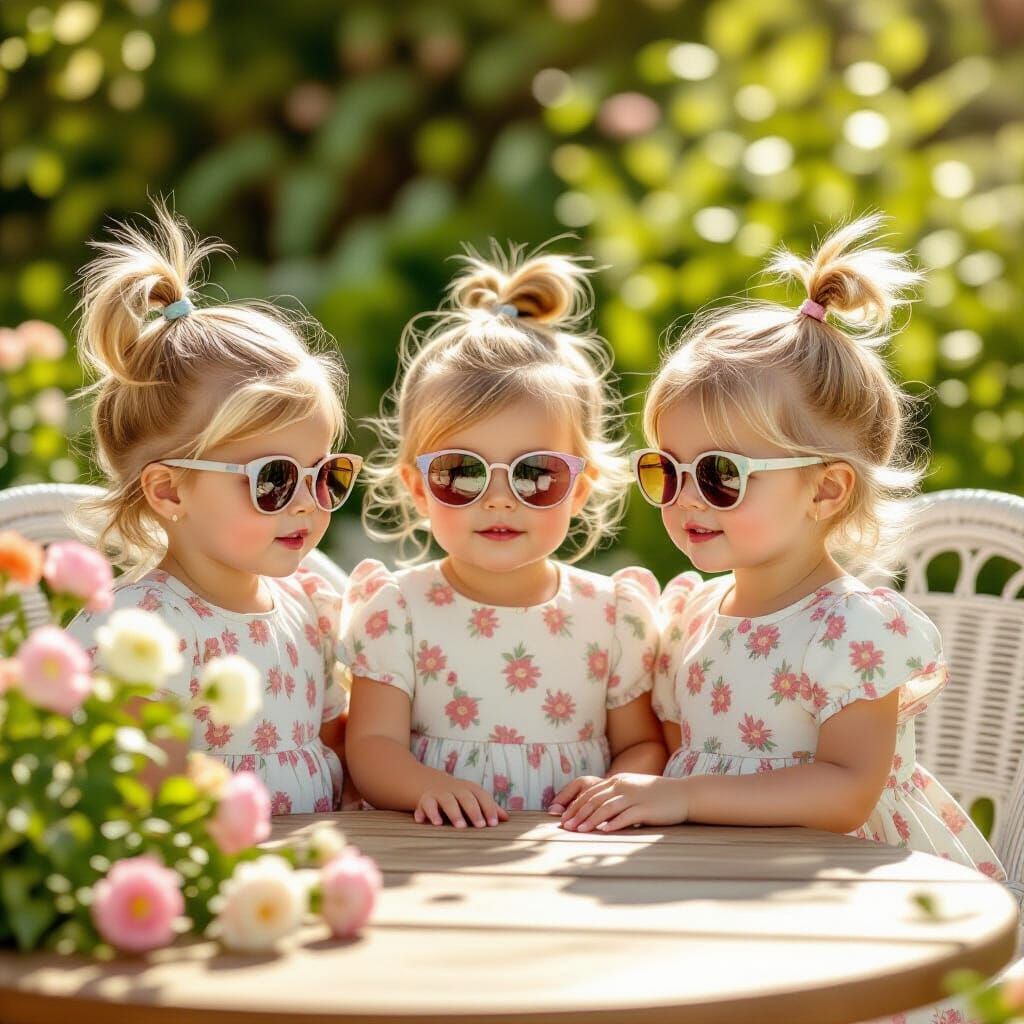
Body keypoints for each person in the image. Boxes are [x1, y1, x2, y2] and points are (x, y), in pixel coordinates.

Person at [341, 244, 666, 826]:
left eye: (535, 474)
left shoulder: (612, 615)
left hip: (571, 850)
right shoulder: (398, 612)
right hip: (433, 851)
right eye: (461, 472)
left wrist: (614, 786)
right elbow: (369, 747)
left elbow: (641, 744)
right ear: (417, 488)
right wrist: (426, 787)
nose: (498, 498)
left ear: (580, 487)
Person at [66, 202, 359, 814]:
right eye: (274, 480)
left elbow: (339, 749)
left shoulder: (308, 609)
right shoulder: (144, 634)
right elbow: (142, 809)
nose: (308, 502)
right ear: (169, 491)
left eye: (326, 473)